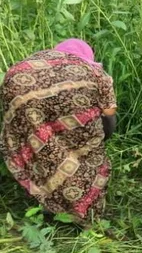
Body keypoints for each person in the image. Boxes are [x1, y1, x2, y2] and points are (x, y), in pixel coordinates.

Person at [1, 39, 117, 222]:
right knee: (88, 159)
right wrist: (98, 142)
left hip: (16, 82)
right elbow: (109, 114)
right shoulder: (97, 73)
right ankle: (82, 213)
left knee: (39, 143)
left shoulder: (45, 58)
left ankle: (44, 199)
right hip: (59, 98)